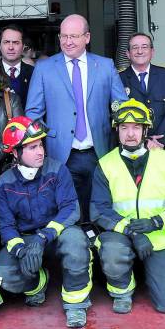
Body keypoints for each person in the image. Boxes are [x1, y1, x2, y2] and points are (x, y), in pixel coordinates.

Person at [91, 99, 165, 314]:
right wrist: (133, 232)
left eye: (136, 127)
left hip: (158, 237)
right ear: (116, 130)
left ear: (146, 130)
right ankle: (122, 292)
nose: (130, 134)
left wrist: (154, 223)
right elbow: (99, 210)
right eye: (124, 127)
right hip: (122, 236)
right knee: (112, 251)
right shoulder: (105, 164)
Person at [26, 14, 127, 222]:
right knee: (67, 210)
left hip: (99, 151)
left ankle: (99, 248)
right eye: (63, 36)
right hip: (61, 153)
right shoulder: (44, 68)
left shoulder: (105, 66)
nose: (68, 41)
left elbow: (123, 109)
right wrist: (49, 136)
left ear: (87, 37)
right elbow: (33, 114)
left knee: (100, 207)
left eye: (73, 36)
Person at [0, 116, 92, 328]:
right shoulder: (4, 183)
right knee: (2, 272)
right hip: (28, 241)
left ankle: (76, 305)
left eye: (40, 145)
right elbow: (7, 226)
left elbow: (70, 209)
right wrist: (21, 251)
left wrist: (43, 236)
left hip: (55, 236)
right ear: (16, 153)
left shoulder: (57, 170)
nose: (40, 152)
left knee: (76, 242)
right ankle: (37, 283)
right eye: (31, 148)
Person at [119, 32, 165, 150]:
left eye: (144, 47)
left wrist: (160, 139)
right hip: (132, 146)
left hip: (164, 145)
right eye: (135, 48)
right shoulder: (119, 79)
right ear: (128, 54)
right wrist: (143, 140)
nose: (140, 51)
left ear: (152, 52)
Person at [0, 24, 34, 105]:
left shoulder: (34, 73)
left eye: (16, 43)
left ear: (23, 47)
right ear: (0, 46)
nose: (11, 47)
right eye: (6, 42)